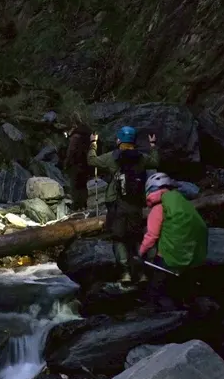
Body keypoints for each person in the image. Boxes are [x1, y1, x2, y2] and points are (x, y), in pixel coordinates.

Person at [88, 125, 159, 284]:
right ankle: (141, 274)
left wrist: (93, 144)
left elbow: (91, 160)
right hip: (136, 203)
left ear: (119, 140)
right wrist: (153, 145)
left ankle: (126, 273)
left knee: (119, 237)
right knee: (137, 237)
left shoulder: (112, 157)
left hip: (116, 203)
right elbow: (156, 161)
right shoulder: (141, 157)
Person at [139, 172, 208, 307]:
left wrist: (141, 252)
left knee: (156, 289)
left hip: (169, 257)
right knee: (184, 289)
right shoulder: (182, 202)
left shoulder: (158, 208)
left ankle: (161, 316)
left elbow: (151, 236)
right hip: (192, 255)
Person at [64, 119, 92, 214]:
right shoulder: (87, 136)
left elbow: (70, 152)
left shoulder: (75, 137)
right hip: (86, 165)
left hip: (75, 165)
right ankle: (84, 205)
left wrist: (66, 164)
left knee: (75, 186)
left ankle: (76, 206)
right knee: (83, 186)